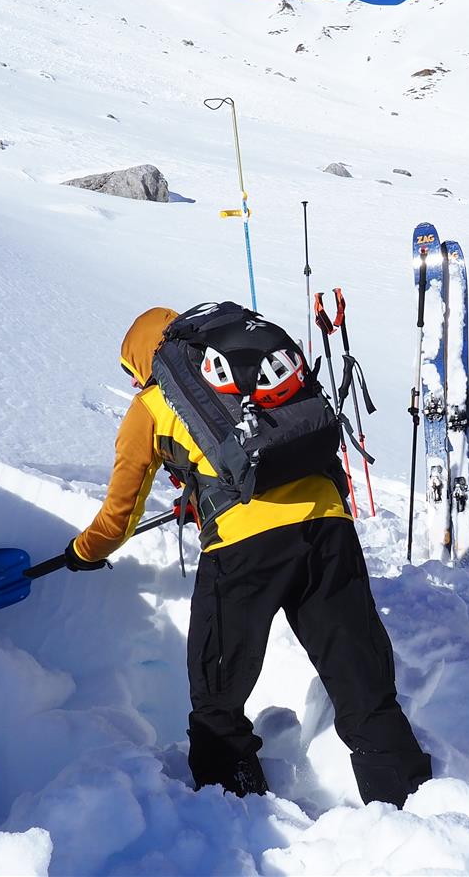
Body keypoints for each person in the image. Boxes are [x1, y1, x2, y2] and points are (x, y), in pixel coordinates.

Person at [64, 306, 433, 806]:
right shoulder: (246, 378)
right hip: (328, 530)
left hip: (243, 552)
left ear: (144, 359)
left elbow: (119, 515)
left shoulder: (151, 405)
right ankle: (412, 804)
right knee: (360, 679)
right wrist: (203, 493)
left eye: (133, 372)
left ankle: (234, 812)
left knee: (216, 694)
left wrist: (83, 552)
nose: (134, 383)